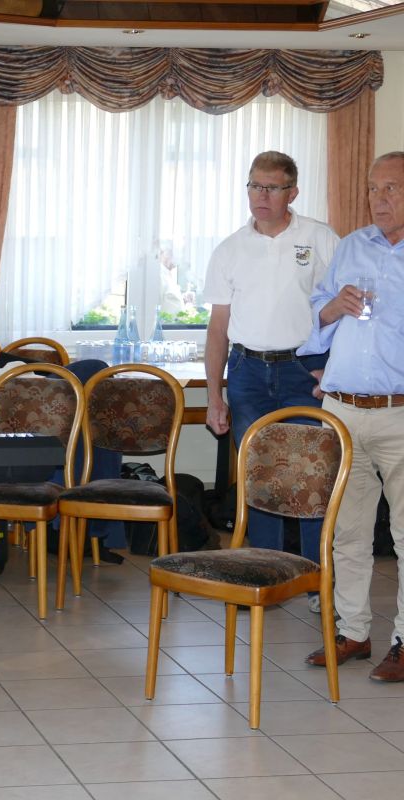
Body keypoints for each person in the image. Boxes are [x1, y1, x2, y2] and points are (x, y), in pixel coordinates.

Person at [201, 151, 339, 610]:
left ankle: (318, 583)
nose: (261, 196)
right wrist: (215, 395)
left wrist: (332, 370)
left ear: (292, 192)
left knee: (312, 477)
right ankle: (265, 578)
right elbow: (218, 329)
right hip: (247, 372)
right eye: (254, 186)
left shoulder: (320, 238)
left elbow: (344, 310)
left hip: (304, 371)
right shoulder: (230, 248)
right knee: (258, 475)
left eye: (272, 187)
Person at [301, 151, 404, 681]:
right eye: (372, 189)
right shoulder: (351, 245)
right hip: (342, 410)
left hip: (399, 414)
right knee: (347, 532)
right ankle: (353, 633)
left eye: (391, 188)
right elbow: (315, 315)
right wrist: (332, 307)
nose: (378, 199)